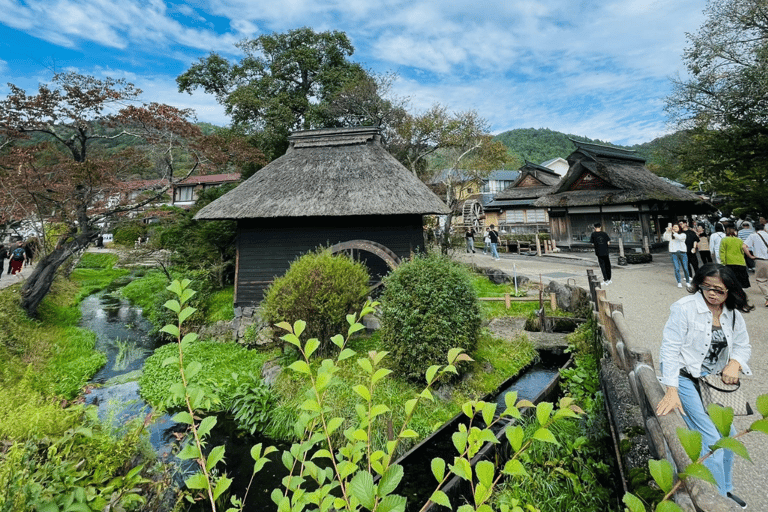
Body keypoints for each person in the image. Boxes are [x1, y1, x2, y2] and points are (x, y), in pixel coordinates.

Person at [656, 264, 752, 509]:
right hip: (685, 377)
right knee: (710, 437)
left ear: (729, 291)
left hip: (711, 380)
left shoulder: (732, 314)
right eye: (706, 287)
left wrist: (735, 362)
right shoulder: (684, 308)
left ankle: (725, 489)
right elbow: (669, 348)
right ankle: (713, 500)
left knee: (729, 436)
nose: (711, 294)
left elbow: (743, 345)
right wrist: (671, 390)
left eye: (718, 290)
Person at [745, 223, 768, 307]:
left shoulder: (753, 236)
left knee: (761, 280)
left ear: (755, 229)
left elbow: (744, 246)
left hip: (760, 260)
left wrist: (750, 256)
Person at [663, 223, 691, 287]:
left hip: (682, 252)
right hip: (674, 253)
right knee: (676, 268)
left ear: (679, 228)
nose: (674, 228)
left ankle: (687, 281)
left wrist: (673, 232)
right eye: (674, 227)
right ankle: (679, 282)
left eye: (676, 227)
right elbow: (665, 238)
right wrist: (667, 231)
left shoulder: (683, 234)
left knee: (685, 268)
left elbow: (680, 238)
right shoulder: (671, 235)